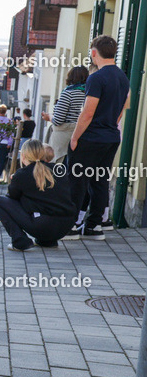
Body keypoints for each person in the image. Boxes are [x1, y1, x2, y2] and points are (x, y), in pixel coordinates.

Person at [64, 36, 130, 241]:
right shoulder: (123, 77)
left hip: (91, 137)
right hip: (111, 137)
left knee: (76, 180)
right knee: (100, 180)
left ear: (94, 52)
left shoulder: (96, 78)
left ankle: (70, 227)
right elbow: (122, 110)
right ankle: (94, 226)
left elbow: (87, 113)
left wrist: (74, 137)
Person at [0, 139, 77, 251]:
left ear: (23, 155)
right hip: (66, 225)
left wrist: (15, 181)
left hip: (42, 225)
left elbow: (12, 198)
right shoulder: (59, 169)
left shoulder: (22, 174)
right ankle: (47, 241)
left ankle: (20, 240)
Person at [41, 66, 88, 162]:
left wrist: (49, 117)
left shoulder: (68, 93)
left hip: (63, 137)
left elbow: (58, 120)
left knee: (58, 168)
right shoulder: (89, 94)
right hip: (82, 134)